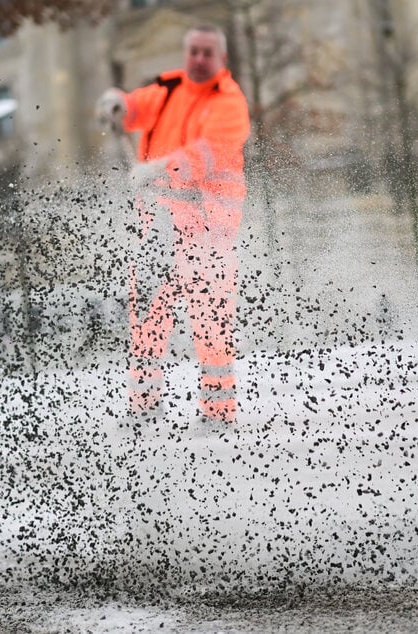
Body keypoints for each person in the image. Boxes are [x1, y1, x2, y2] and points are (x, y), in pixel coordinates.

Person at [96, 24, 250, 428]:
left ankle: (218, 412)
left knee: (211, 321)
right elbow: (135, 107)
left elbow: (208, 154)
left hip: (208, 232)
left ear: (222, 59)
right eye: (193, 51)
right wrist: (117, 104)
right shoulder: (168, 90)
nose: (199, 59)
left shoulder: (229, 102)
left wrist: (161, 168)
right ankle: (143, 406)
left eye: (207, 53)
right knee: (146, 318)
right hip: (160, 227)